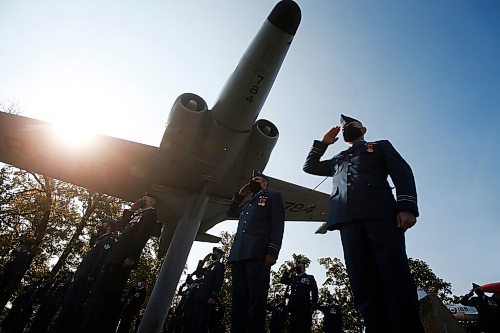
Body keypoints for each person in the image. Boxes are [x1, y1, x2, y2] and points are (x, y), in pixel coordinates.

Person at [303, 114, 424, 332]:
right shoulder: (337, 159)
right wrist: (323, 144)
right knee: (362, 282)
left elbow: (402, 172)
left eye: (352, 125)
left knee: (394, 275)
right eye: (345, 126)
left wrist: (406, 207)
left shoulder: (378, 147)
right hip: (347, 221)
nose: (348, 127)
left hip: (380, 216)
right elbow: (309, 167)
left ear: (364, 129)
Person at [82, 193, 160, 333]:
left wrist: (132, 256)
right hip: (114, 257)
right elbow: (124, 225)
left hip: (123, 259)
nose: (143, 199)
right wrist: (131, 209)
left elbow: (142, 235)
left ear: (152, 201)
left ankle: (101, 327)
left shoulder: (150, 214)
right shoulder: (139, 214)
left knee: (110, 296)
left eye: (146, 198)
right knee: (100, 294)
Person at [226, 170, 285, 333]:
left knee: (256, 301)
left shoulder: (273, 197)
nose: (253, 182)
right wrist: (239, 196)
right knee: (238, 302)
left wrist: (273, 250)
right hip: (239, 255)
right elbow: (231, 212)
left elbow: (278, 224)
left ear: (264, 182)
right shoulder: (248, 203)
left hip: (258, 253)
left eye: (256, 179)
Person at [52, 219, 116, 333]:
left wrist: (92, 274)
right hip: (81, 273)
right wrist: (96, 234)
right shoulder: (100, 238)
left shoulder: (109, 240)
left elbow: (101, 259)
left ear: (109, 226)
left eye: (104, 224)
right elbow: (92, 244)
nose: (102, 225)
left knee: (75, 305)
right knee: (68, 302)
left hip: (87, 276)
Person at [185, 247, 225, 333]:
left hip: (207, 298)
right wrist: (203, 261)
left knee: (202, 323)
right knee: (194, 322)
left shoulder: (220, 266)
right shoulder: (209, 267)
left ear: (220, 255)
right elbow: (197, 273)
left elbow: (218, 281)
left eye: (216, 253)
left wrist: (213, 296)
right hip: (199, 296)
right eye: (213, 252)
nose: (214, 254)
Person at [280, 261, 318, 333]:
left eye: (299, 264)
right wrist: (288, 272)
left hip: (305, 309)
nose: (297, 265)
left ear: (303, 267)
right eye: (296, 264)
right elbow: (283, 280)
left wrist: (313, 305)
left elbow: (315, 291)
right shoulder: (294, 278)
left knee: (304, 329)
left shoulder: (309, 277)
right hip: (293, 310)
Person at [0, 239, 34, 310]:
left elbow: (16, 268)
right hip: (5, 275)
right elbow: (9, 261)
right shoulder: (17, 253)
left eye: (23, 245)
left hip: (9, 277)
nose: (21, 246)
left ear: (26, 246)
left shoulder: (25, 256)